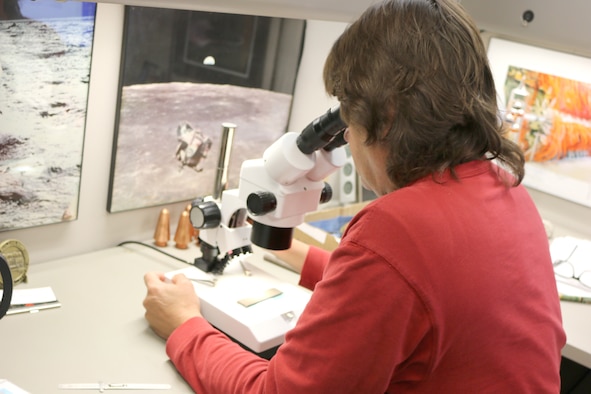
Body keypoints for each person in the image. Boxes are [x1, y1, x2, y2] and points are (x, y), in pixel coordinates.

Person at [142, 0, 566, 392]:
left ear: (388, 115)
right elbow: (414, 289)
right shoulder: (504, 188)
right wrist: (290, 253)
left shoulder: (397, 228)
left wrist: (183, 323)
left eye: (349, 118)